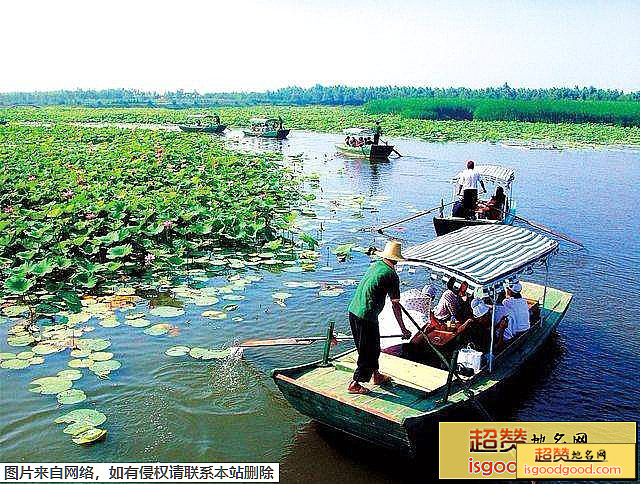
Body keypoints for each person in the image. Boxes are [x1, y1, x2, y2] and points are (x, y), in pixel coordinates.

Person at [347, 241, 412, 394]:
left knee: (372, 347)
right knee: (368, 351)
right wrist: (403, 329)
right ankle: (355, 383)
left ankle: (376, 375)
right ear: (396, 259)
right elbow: (396, 306)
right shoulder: (391, 275)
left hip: (353, 310)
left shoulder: (376, 265)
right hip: (366, 316)